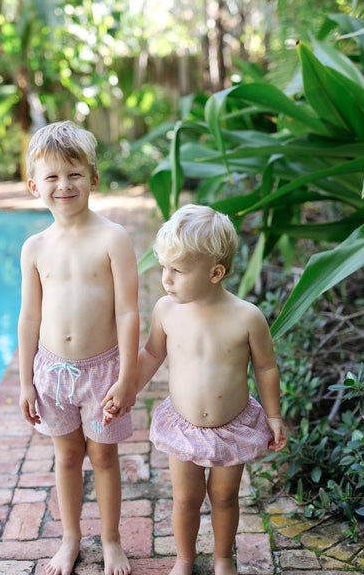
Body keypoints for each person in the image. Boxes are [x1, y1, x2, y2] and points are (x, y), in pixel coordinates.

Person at [103, 204, 287, 575]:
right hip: (183, 424)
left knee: (224, 497)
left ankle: (222, 558)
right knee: (186, 498)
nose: (166, 280)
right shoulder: (166, 311)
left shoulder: (247, 317)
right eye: (163, 269)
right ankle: (184, 559)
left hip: (232, 426)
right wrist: (128, 390)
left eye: (178, 271)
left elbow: (266, 367)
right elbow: (153, 353)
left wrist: (273, 416)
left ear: (215, 272)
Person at [18, 121, 139, 575]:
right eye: (51, 176)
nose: (63, 185)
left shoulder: (113, 238)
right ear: (35, 186)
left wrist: (127, 378)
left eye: (74, 174)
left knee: (104, 457)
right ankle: (71, 538)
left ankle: (111, 540)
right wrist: (26, 381)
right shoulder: (34, 248)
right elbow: (30, 316)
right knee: (66, 456)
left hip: (103, 372)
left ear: (93, 179)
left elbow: (128, 312)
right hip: (51, 372)